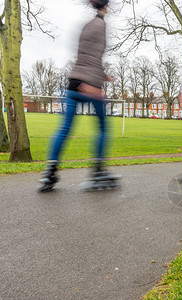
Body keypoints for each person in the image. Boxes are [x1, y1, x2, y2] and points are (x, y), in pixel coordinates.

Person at [39, 0, 117, 192]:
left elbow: (85, 56)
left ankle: (50, 171)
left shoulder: (87, 26)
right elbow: (95, 55)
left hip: (73, 83)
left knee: (64, 128)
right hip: (88, 85)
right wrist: (93, 84)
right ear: (106, 6)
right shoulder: (101, 25)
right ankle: (98, 171)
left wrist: (103, 76)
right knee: (103, 127)